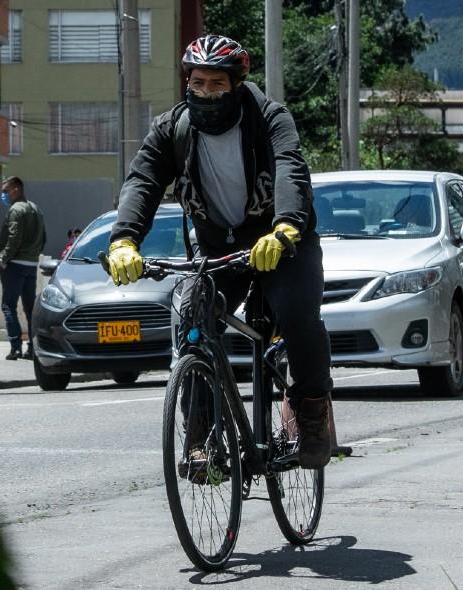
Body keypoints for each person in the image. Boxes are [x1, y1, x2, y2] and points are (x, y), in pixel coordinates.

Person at [107, 35, 335, 469]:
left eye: (216, 84)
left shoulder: (270, 117)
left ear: (235, 84)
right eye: (197, 83)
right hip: (220, 252)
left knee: (296, 313)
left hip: (282, 243)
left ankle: (311, 409)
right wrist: (123, 240)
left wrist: (285, 227)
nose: (206, 93)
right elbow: (142, 181)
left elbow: (290, 167)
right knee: (193, 313)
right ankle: (200, 434)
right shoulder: (171, 129)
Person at [0, 176, 46, 361]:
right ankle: (33, 348)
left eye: (5, 191)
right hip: (31, 264)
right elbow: (43, 237)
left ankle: (15, 347)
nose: (3, 195)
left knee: (8, 306)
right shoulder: (35, 209)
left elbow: (13, 238)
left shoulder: (16, 210)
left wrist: (4, 259)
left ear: (16, 189)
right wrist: (33, 256)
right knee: (30, 307)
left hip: (15, 264)